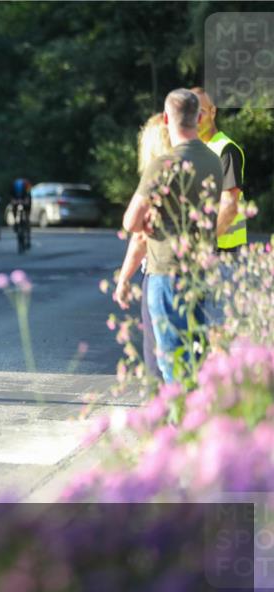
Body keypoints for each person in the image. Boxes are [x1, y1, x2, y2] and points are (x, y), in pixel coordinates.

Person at [121, 89, 223, 384]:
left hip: (166, 271)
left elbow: (130, 221)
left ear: (166, 119)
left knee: (171, 360)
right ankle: (199, 420)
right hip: (200, 270)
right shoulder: (213, 162)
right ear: (200, 117)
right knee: (195, 354)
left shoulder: (163, 165)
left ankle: (180, 424)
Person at [113, 112, 170, 380]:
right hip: (198, 269)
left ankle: (164, 413)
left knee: (156, 350)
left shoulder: (157, 172)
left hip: (161, 271)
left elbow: (136, 231)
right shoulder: (199, 165)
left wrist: (124, 279)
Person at [191, 87, 247, 252]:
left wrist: (201, 243)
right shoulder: (196, 150)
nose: (196, 119)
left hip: (223, 251)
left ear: (213, 111)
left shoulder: (226, 150)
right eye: (191, 113)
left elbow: (230, 207)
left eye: (201, 112)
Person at [11, 177, 32, 249]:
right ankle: (15, 223)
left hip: (26, 199)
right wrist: (14, 201)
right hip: (17, 199)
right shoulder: (13, 186)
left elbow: (29, 194)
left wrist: (27, 201)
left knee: (27, 217)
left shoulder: (27, 185)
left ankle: (28, 238)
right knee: (13, 209)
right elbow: (11, 196)